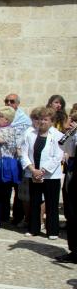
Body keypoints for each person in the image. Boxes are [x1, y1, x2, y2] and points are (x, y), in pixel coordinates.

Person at [20, 107, 63, 239]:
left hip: (50, 175)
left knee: (51, 203)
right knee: (34, 202)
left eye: (45, 119)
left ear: (51, 121)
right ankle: (34, 229)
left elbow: (57, 156)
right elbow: (24, 153)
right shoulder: (30, 134)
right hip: (33, 173)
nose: (42, 122)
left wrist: (43, 171)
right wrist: (33, 170)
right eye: (40, 119)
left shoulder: (57, 135)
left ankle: (52, 231)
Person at [57, 111, 77, 262]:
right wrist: (71, 134)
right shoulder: (73, 134)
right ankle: (74, 251)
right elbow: (65, 148)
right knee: (71, 213)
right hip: (73, 174)